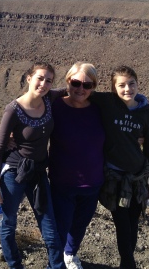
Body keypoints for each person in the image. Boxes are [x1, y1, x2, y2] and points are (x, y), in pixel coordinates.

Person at [0, 62, 67, 269]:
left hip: (39, 172)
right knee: (8, 224)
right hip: (14, 173)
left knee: (50, 228)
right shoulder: (13, 110)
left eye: (48, 80)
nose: (43, 83)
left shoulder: (49, 98)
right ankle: (15, 265)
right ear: (28, 78)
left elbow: (76, 89)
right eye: (40, 78)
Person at [91, 65, 149, 269]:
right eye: (121, 85)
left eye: (131, 84)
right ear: (113, 88)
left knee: (133, 222)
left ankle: (126, 263)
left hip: (138, 177)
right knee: (121, 222)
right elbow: (76, 92)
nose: (127, 89)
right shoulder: (107, 103)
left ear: (137, 84)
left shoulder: (146, 113)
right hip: (115, 177)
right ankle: (129, 264)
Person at [48, 62, 105, 269]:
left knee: (80, 224)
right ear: (67, 82)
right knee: (60, 227)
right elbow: (29, 111)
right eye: (75, 83)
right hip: (62, 182)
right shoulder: (54, 106)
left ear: (94, 87)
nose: (81, 89)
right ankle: (55, 263)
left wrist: (138, 137)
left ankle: (70, 255)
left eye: (87, 85)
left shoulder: (100, 109)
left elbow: (125, 116)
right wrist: (12, 133)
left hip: (93, 182)